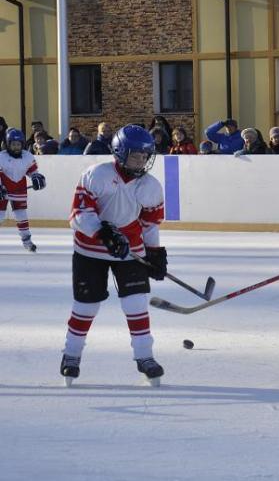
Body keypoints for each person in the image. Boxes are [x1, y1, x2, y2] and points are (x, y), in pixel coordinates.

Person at [60, 125, 168, 385]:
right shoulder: (97, 174)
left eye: (145, 156)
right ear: (120, 153)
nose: (141, 161)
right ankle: (71, 355)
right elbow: (78, 215)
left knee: (136, 303)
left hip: (130, 250)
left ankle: (145, 356)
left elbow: (149, 224)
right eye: (135, 156)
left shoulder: (150, 186)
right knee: (86, 306)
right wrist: (103, 233)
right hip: (89, 250)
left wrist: (154, 253)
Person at [0, 128, 47, 252]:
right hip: (3, 190)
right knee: (0, 216)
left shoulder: (27, 156)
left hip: (19, 189)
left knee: (21, 215)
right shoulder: (1, 157)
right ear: (8, 144)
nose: (16, 147)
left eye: (18, 144)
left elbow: (32, 171)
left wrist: (37, 178)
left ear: (23, 144)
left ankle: (27, 241)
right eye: (13, 144)